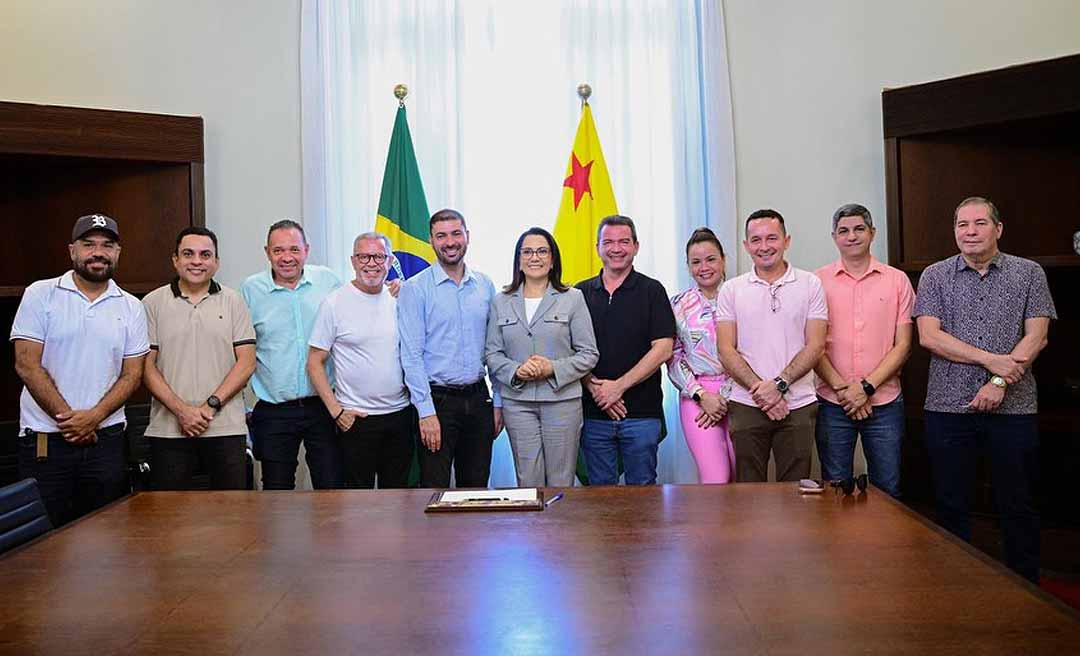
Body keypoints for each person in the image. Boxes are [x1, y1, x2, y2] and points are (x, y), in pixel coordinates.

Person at [914, 196, 1055, 583]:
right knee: (950, 503)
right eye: (962, 225)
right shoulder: (934, 275)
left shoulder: (1028, 273)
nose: (970, 232)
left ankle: (1025, 588)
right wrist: (991, 361)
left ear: (998, 229)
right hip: (947, 406)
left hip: (1014, 407)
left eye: (979, 223)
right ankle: (956, 586)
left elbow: (1037, 336)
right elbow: (929, 337)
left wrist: (999, 380)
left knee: (1018, 502)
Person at [11, 214, 149, 525]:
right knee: (45, 541)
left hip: (107, 441)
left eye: (107, 245)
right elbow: (26, 364)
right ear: (72, 250)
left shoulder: (131, 306)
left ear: (118, 253)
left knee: (108, 536)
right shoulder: (40, 294)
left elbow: (132, 374)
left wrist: (94, 417)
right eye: (89, 244)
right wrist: (70, 421)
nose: (98, 253)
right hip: (46, 440)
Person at [716, 209, 827, 482]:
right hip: (746, 403)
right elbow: (726, 350)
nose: (764, 246)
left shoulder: (810, 284)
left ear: (786, 241)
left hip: (798, 403)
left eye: (772, 238)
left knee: (795, 490)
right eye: (756, 240)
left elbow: (816, 345)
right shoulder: (731, 289)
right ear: (746, 246)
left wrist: (779, 385)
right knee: (748, 491)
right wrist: (761, 392)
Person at [141, 226, 256, 490]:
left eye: (205, 255)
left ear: (216, 262)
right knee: (170, 511)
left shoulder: (234, 301)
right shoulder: (152, 303)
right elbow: (145, 366)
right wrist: (182, 411)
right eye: (188, 254)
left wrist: (208, 408)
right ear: (175, 260)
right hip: (169, 429)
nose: (196, 261)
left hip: (226, 428)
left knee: (231, 511)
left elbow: (247, 362)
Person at [485, 227, 598, 487]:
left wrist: (552, 368)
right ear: (518, 261)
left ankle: (559, 518)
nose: (534, 257)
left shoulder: (573, 298)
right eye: (527, 252)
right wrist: (515, 370)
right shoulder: (500, 301)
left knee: (561, 480)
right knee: (528, 481)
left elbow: (589, 354)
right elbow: (492, 353)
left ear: (553, 259)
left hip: (562, 402)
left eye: (542, 251)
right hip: (518, 404)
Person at [813, 204, 914, 498]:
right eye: (843, 231)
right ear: (834, 237)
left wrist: (866, 388)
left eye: (859, 229)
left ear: (872, 233)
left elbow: (903, 345)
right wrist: (846, 391)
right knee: (835, 489)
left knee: (888, 490)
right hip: (834, 402)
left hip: (884, 401)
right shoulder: (816, 281)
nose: (852, 236)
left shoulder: (897, 280)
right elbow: (813, 345)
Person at [398, 209, 503, 488]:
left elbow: (494, 349)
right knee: (434, 489)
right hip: (437, 402)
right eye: (441, 236)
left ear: (467, 236)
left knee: (477, 489)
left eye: (456, 234)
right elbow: (411, 356)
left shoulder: (484, 285)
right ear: (431, 240)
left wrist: (498, 402)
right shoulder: (415, 289)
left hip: (479, 400)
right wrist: (426, 412)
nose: (450, 242)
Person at [240, 219, 344, 490]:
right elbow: (239, 349)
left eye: (294, 249)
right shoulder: (250, 290)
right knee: (276, 492)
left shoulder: (328, 282)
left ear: (306, 250)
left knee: (331, 488)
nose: (287, 258)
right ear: (267, 252)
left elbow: (356, 313)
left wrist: (391, 290)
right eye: (278, 250)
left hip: (323, 406)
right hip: (274, 411)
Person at [307, 232, 414, 489]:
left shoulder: (401, 299)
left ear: (390, 261)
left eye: (378, 257)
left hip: (399, 416)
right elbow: (314, 361)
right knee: (357, 502)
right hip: (356, 420)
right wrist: (336, 411)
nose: (371, 263)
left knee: (398, 501)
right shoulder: (334, 303)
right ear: (353, 261)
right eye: (364, 257)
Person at [576, 215, 676, 485]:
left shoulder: (652, 291)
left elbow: (663, 348)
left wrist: (617, 387)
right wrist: (596, 389)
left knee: (642, 493)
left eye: (624, 242)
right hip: (593, 413)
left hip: (642, 414)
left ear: (636, 246)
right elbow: (569, 349)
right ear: (597, 247)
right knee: (600, 495)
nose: (616, 249)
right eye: (608, 242)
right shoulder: (579, 293)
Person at [666, 227, 736, 484]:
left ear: (723, 260)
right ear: (688, 266)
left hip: (742, 393)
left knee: (744, 479)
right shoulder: (677, 305)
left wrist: (724, 396)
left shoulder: (742, 297)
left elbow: (754, 351)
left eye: (711, 259)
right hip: (696, 396)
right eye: (696, 262)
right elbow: (673, 356)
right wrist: (702, 395)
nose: (704, 267)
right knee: (716, 479)